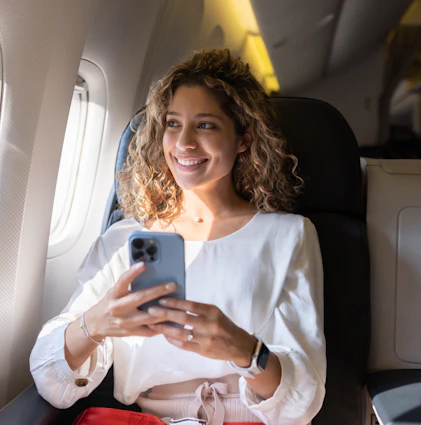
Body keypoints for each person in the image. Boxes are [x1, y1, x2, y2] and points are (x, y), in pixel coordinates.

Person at [30, 49, 325, 425]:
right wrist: (96, 323)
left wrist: (244, 350)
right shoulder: (126, 240)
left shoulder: (288, 237)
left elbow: (304, 401)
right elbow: (51, 382)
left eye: (205, 125)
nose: (184, 143)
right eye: (173, 123)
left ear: (243, 139)